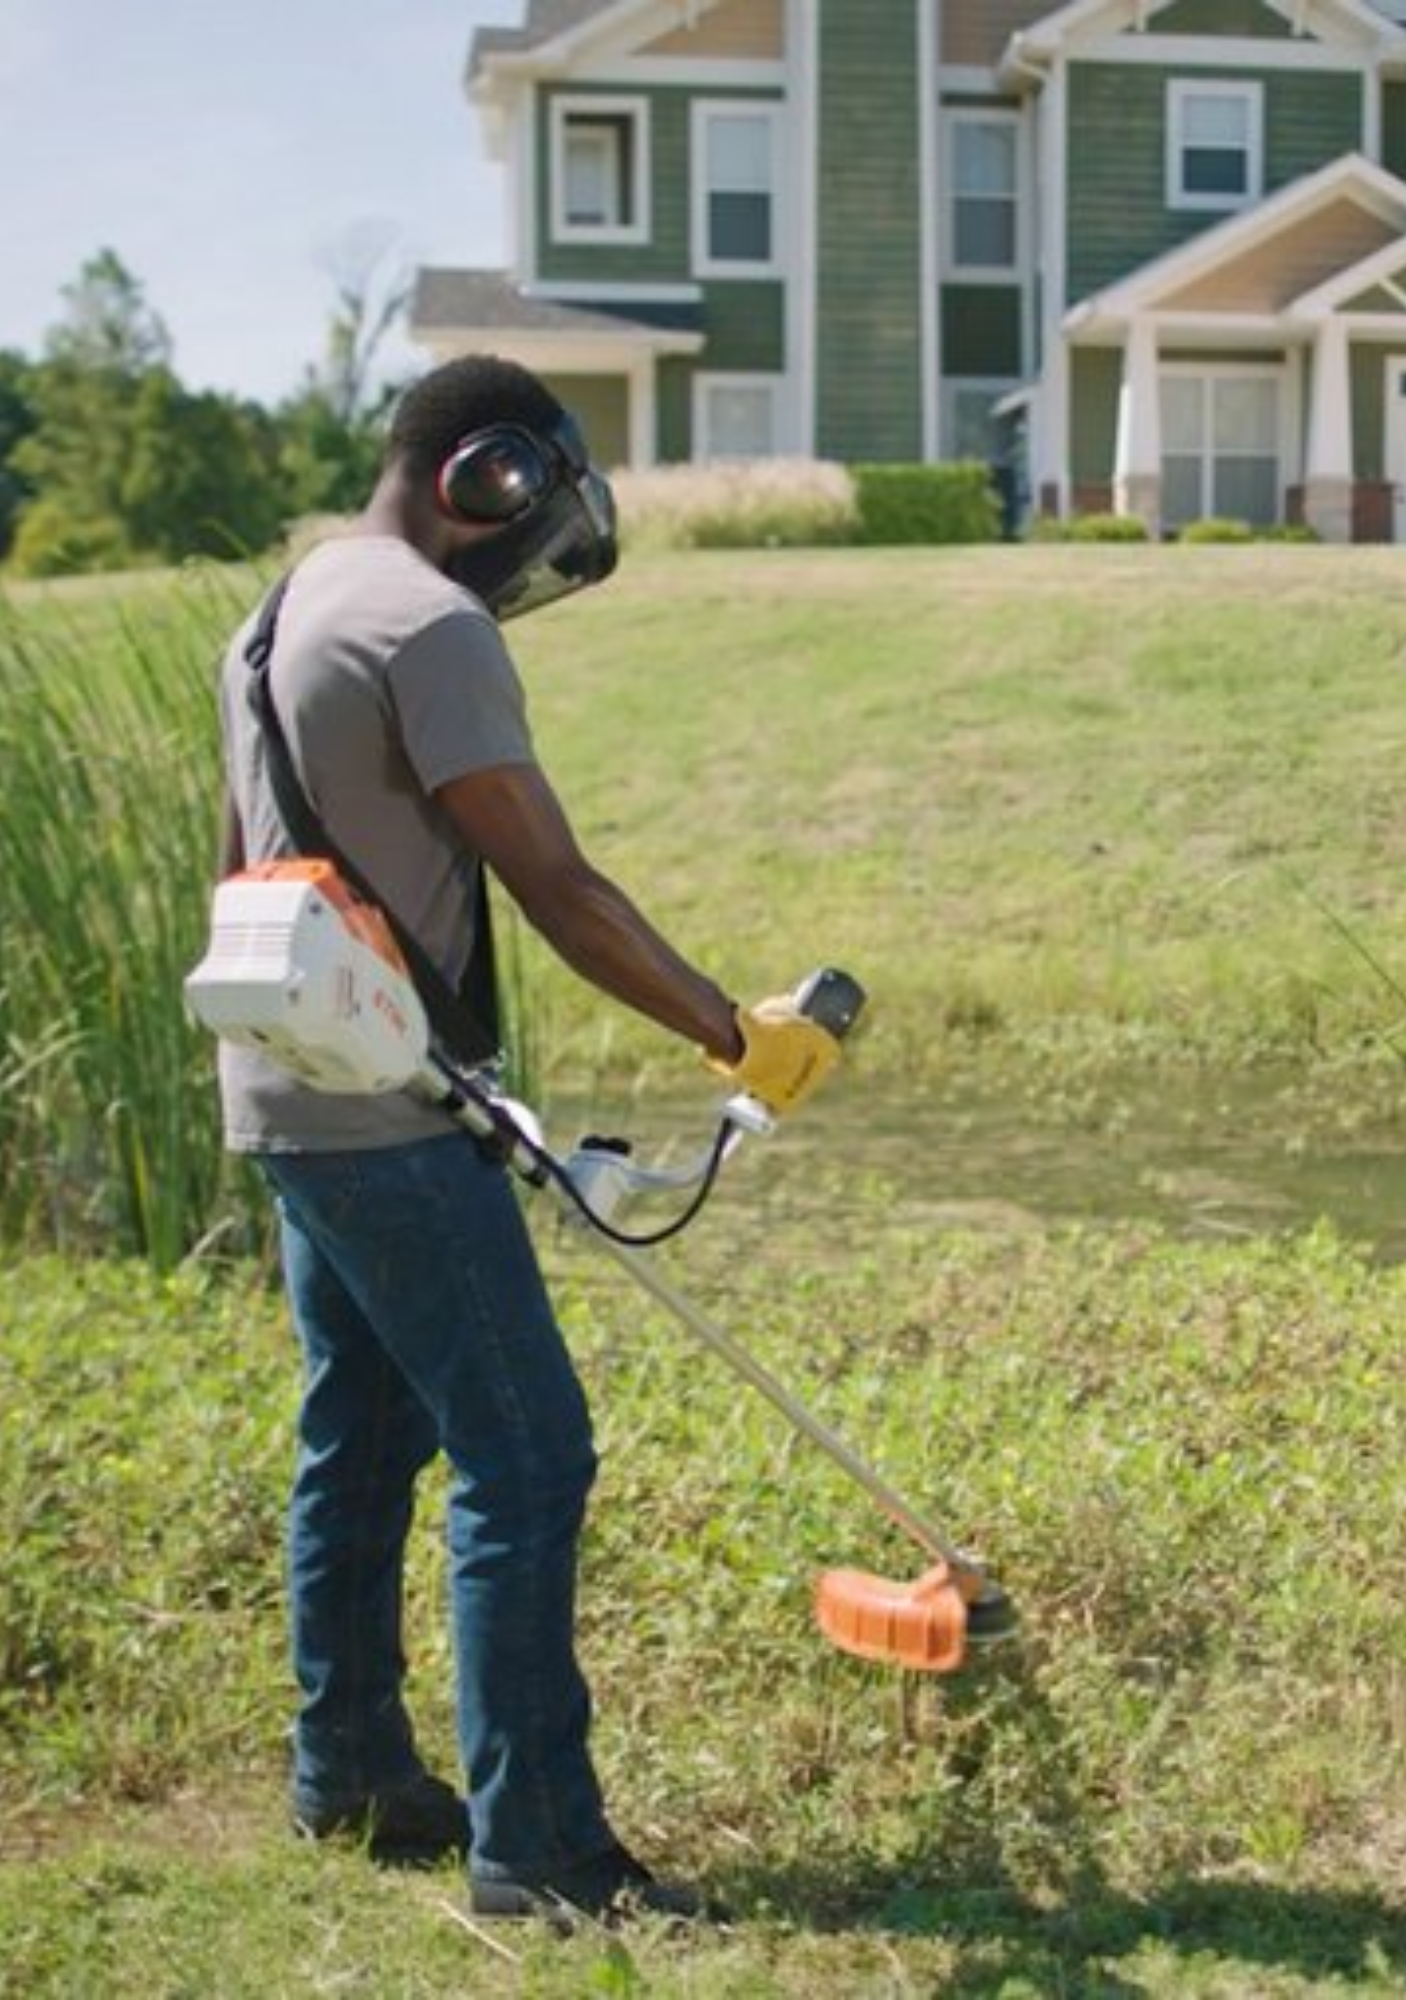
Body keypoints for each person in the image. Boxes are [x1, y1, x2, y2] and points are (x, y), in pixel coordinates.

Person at [212, 353, 837, 1927]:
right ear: (481, 479)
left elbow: (248, 860)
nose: (534, 540)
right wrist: (732, 1030)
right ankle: (542, 1853)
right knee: (528, 1451)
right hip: (385, 1116)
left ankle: (348, 1773)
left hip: (294, 1087)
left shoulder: (284, 608)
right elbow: (556, 886)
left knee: (359, 1436)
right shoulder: (431, 622)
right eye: (534, 505)